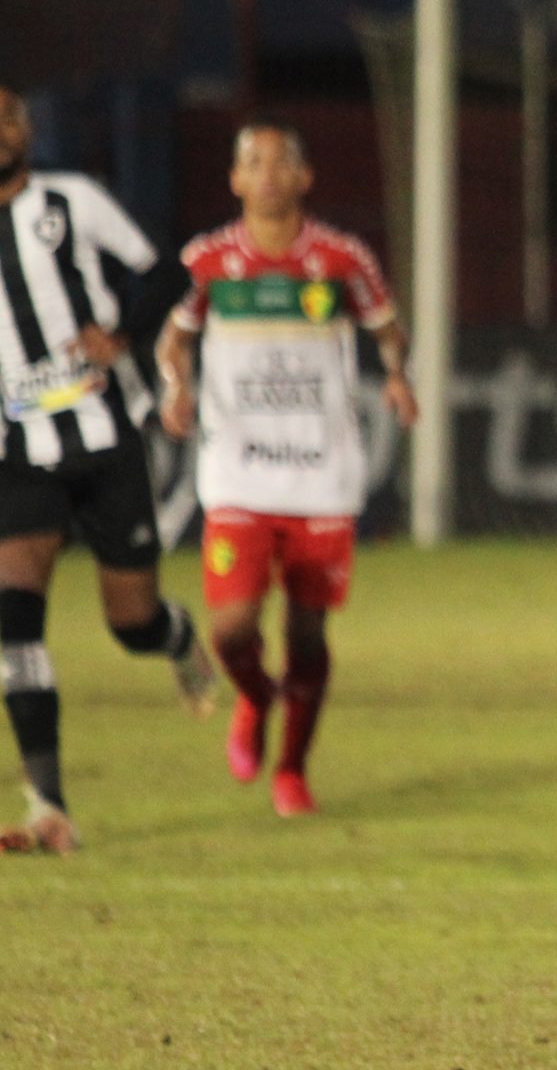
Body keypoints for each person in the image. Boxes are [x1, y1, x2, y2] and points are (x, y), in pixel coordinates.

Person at [0, 83, 215, 853]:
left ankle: (176, 638)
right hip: (16, 455)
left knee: (131, 622)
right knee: (17, 623)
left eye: (8, 117)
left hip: (106, 441)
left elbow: (169, 274)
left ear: (27, 129)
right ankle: (48, 805)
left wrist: (123, 337)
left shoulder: (75, 201)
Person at [156, 121, 417, 818]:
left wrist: (397, 374)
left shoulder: (340, 259)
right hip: (237, 471)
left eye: (281, 163)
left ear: (305, 178)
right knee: (233, 629)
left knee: (307, 634)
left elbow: (387, 327)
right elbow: (174, 340)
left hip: (320, 473)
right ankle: (253, 695)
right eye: (252, 162)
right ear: (236, 180)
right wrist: (174, 387)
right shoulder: (211, 262)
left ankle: (293, 769)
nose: (267, 173)